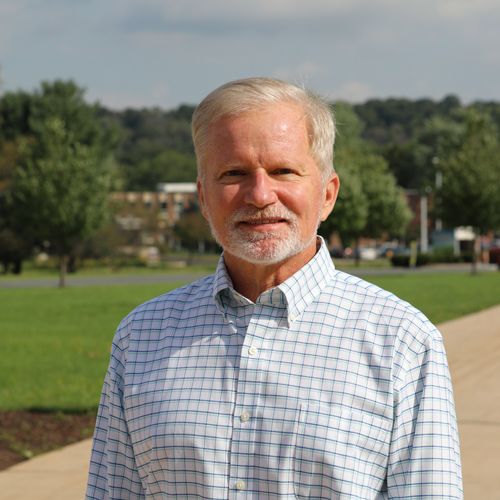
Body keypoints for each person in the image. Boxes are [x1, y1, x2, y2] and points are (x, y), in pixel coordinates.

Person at [86, 78, 462, 499]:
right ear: (204, 197)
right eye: (234, 173)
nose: (261, 194)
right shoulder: (141, 336)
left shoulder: (402, 341)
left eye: (284, 170)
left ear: (327, 194)